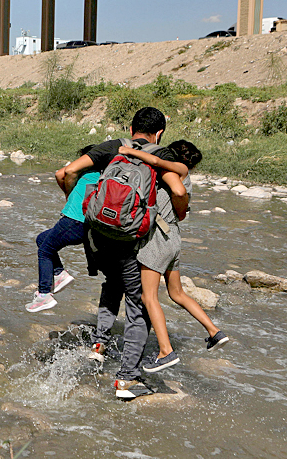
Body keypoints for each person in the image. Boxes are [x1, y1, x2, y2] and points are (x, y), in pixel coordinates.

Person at [56, 107, 187, 400]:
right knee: (138, 304)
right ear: (160, 132)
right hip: (130, 240)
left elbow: (66, 172)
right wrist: (179, 216)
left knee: (111, 284)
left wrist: (74, 205)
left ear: (131, 129)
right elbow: (178, 192)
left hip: (99, 236)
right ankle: (127, 379)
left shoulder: (114, 147)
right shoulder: (161, 154)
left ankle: (98, 346)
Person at [120, 140, 229, 373]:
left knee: (149, 297)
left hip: (159, 238)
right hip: (173, 238)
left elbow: (160, 165)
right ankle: (214, 331)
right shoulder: (183, 174)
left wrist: (129, 151)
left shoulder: (173, 170)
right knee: (177, 293)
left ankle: (165, 351)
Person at [25, 145, 99, 313]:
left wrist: (68, 194)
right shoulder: (101, 175)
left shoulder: (83, 172)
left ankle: (44, 294)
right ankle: (59, 274)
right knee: (42, 239)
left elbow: (60, 174)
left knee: (44, 250)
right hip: (86, 225)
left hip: (74, 220)